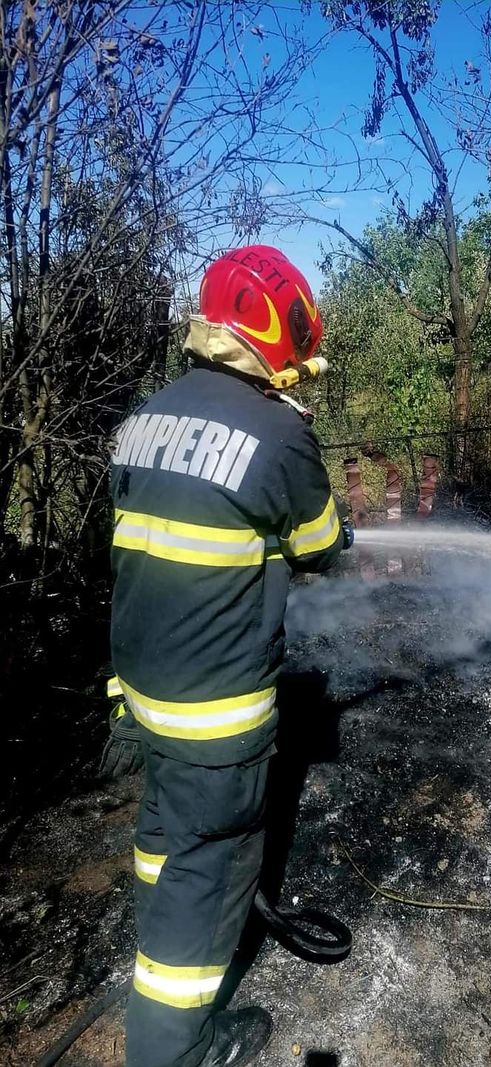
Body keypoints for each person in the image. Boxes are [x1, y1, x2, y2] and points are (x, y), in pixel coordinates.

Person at [104, 245, 351, 1067]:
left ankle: (154, 939)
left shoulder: (144, 418)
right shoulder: (278, 433)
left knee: (162, 837)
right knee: (210, 875)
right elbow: (319, 546)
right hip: (218, 722)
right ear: (269, 325)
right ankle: (177, 1045)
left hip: (143, 699)